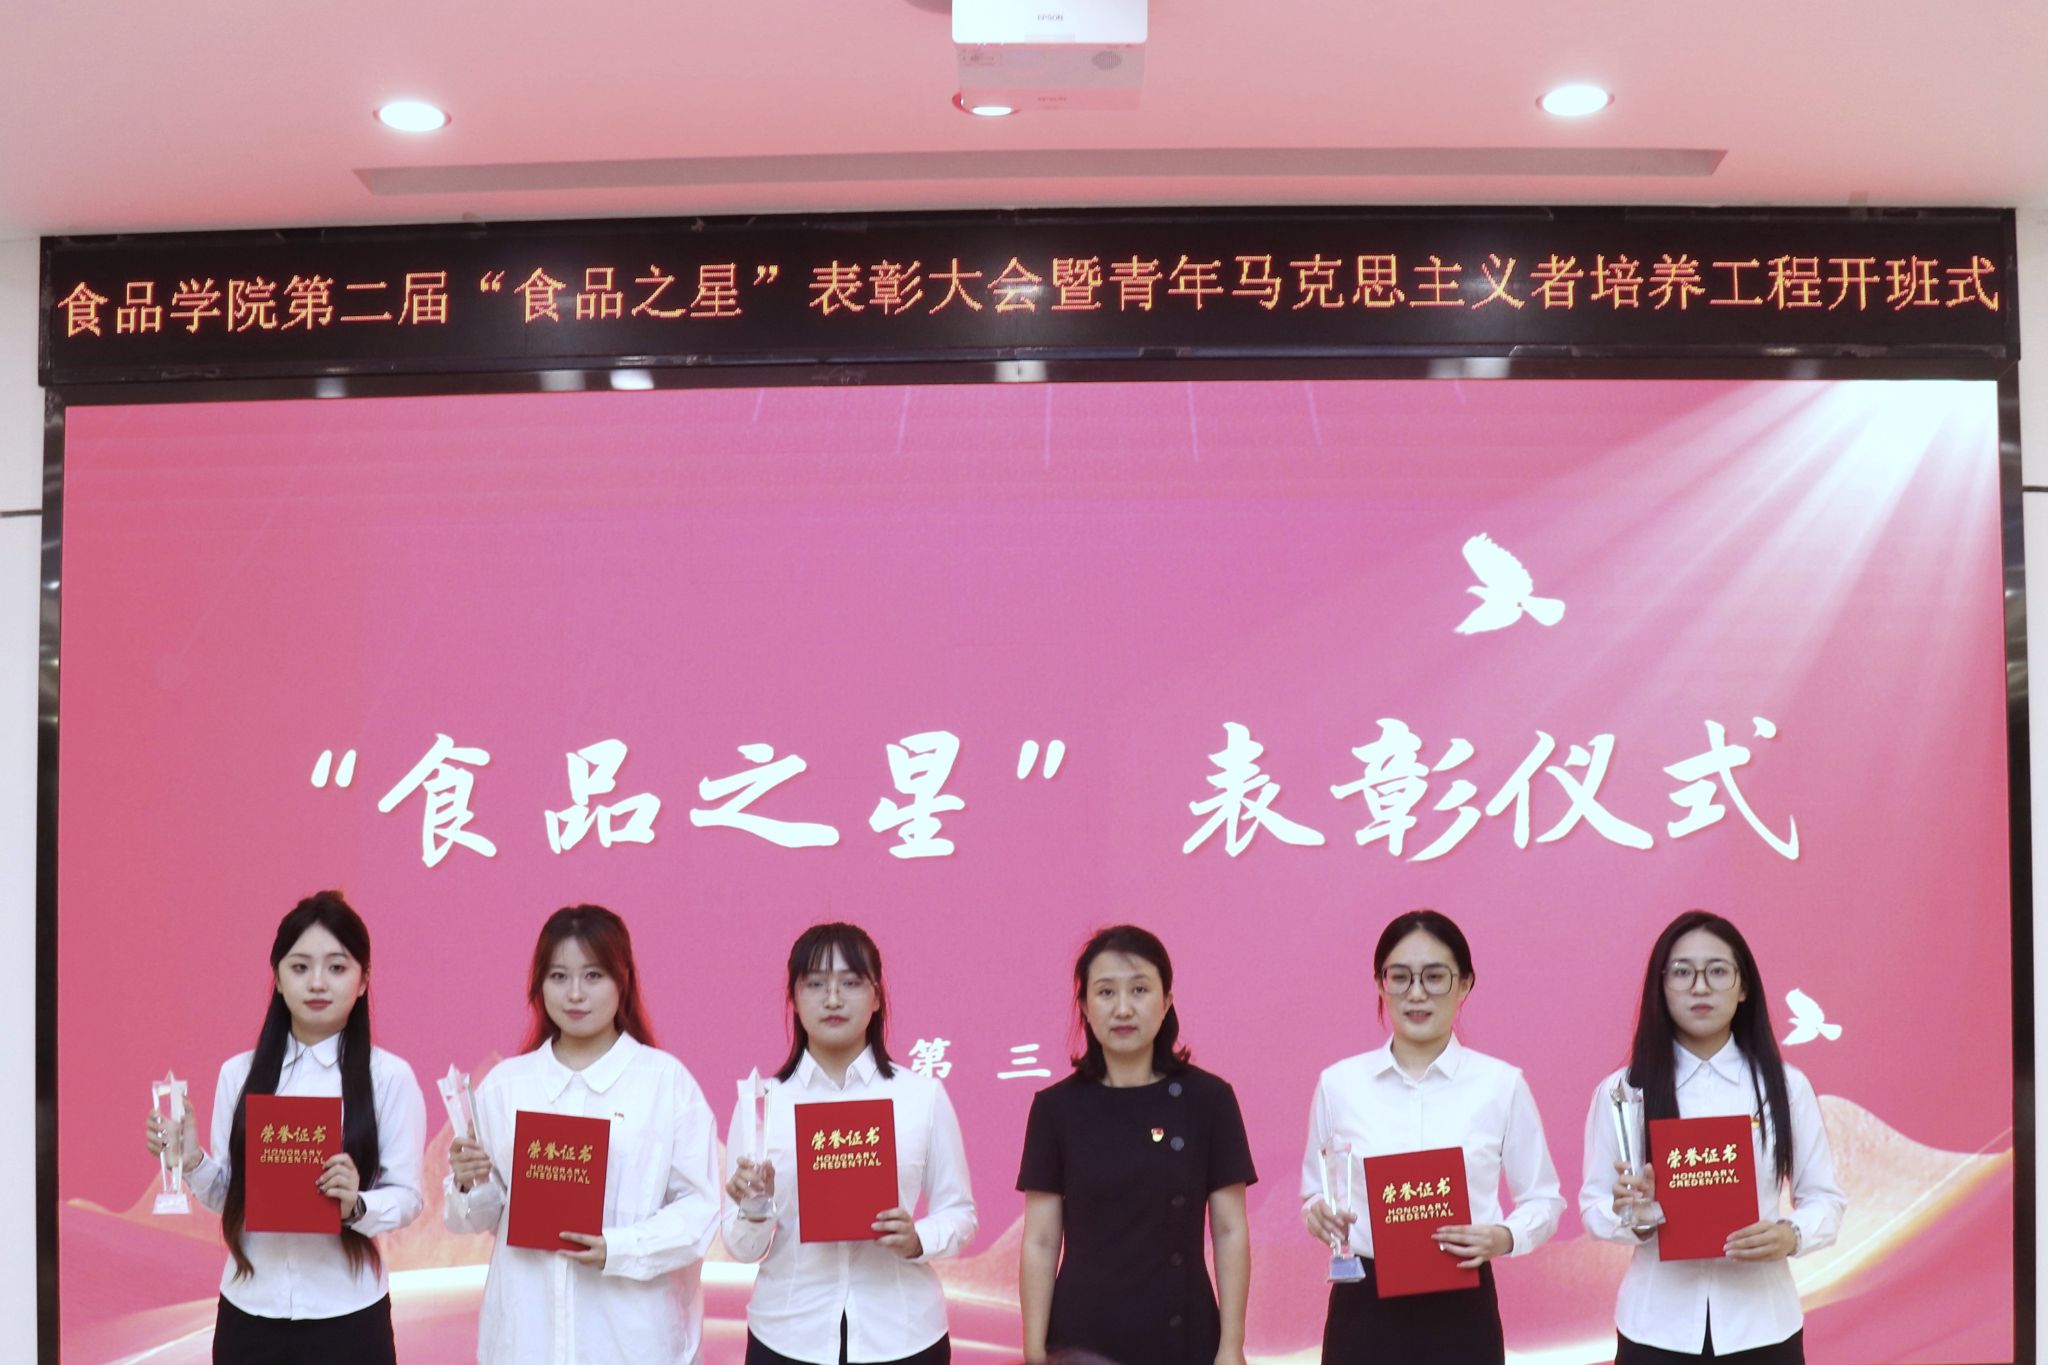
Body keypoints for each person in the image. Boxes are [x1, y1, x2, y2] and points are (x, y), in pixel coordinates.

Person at [144, 890, 426, 1365]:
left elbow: (408, 1196)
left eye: (337, 967)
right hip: (251, 1313)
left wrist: (355, 1204)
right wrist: (190, 1162)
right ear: (276, 978)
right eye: (300, 967)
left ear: (363, 981)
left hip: (349, 1315)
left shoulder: (389, 1078)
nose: (317, 982)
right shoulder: (239, 1073)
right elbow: (231, 1198)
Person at [444, 904, 720, 1365]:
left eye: (593, 976)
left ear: (623, 980)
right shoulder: (506, 1086)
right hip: (525, 1339)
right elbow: (477, 1220)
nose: (575, 993)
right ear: (539, 985)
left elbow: (700, 1208)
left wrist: (621, 1247)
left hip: (629, 1342)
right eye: (558, 977)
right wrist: (469, 1182)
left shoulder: (664, 1083)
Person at [1580, 910, 1846, 1364]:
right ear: (1661, 987)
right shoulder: (1623, 1092)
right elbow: (1594, 1206)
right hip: (1656, 1330)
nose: (1700, 987)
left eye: (1718, 971)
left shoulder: (1786, 1087)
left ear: (1744, 988)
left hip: (1762, 1326)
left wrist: (1791, 1235)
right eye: (1682, 972)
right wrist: (1636, 1216)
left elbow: (1825, 1199)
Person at [1299, 908, 1563, 1365]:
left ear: (1465, 984)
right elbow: (1314, 1192)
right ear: (1380, 983)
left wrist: (1503, 1237)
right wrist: (1317, 1215)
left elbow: (1544, 1199)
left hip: (1462, 1305)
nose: (1416, 993)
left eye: (1435, 977)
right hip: (1364, 1305)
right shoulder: (1339, 1085)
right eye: (1400, 977)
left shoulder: (1501, 1085)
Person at [721, 922, 977, 1365]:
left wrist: (917, 1239)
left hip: (902, 1335)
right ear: (793, 998)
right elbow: (742, 1249)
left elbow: (960, 1213)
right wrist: (756, 1205)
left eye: (851, 983)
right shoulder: (764, 1103)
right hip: (788, 1334)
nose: (833, 999)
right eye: (816, 984)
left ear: (877, 997)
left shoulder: (920, 1096)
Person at [1018, 924, 1256, 1365]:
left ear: (1166, 1001)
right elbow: (1041, 1239)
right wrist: (1034, 1348)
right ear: (1085, 1007)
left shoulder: (1210, 1100)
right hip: (1082, 1339)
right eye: (1106, 992)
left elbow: (1229, 1230)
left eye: (1140, 990)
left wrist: (1231, 1345)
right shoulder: (1055, 1108)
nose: (1123, 1008)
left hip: (1185, 1336)